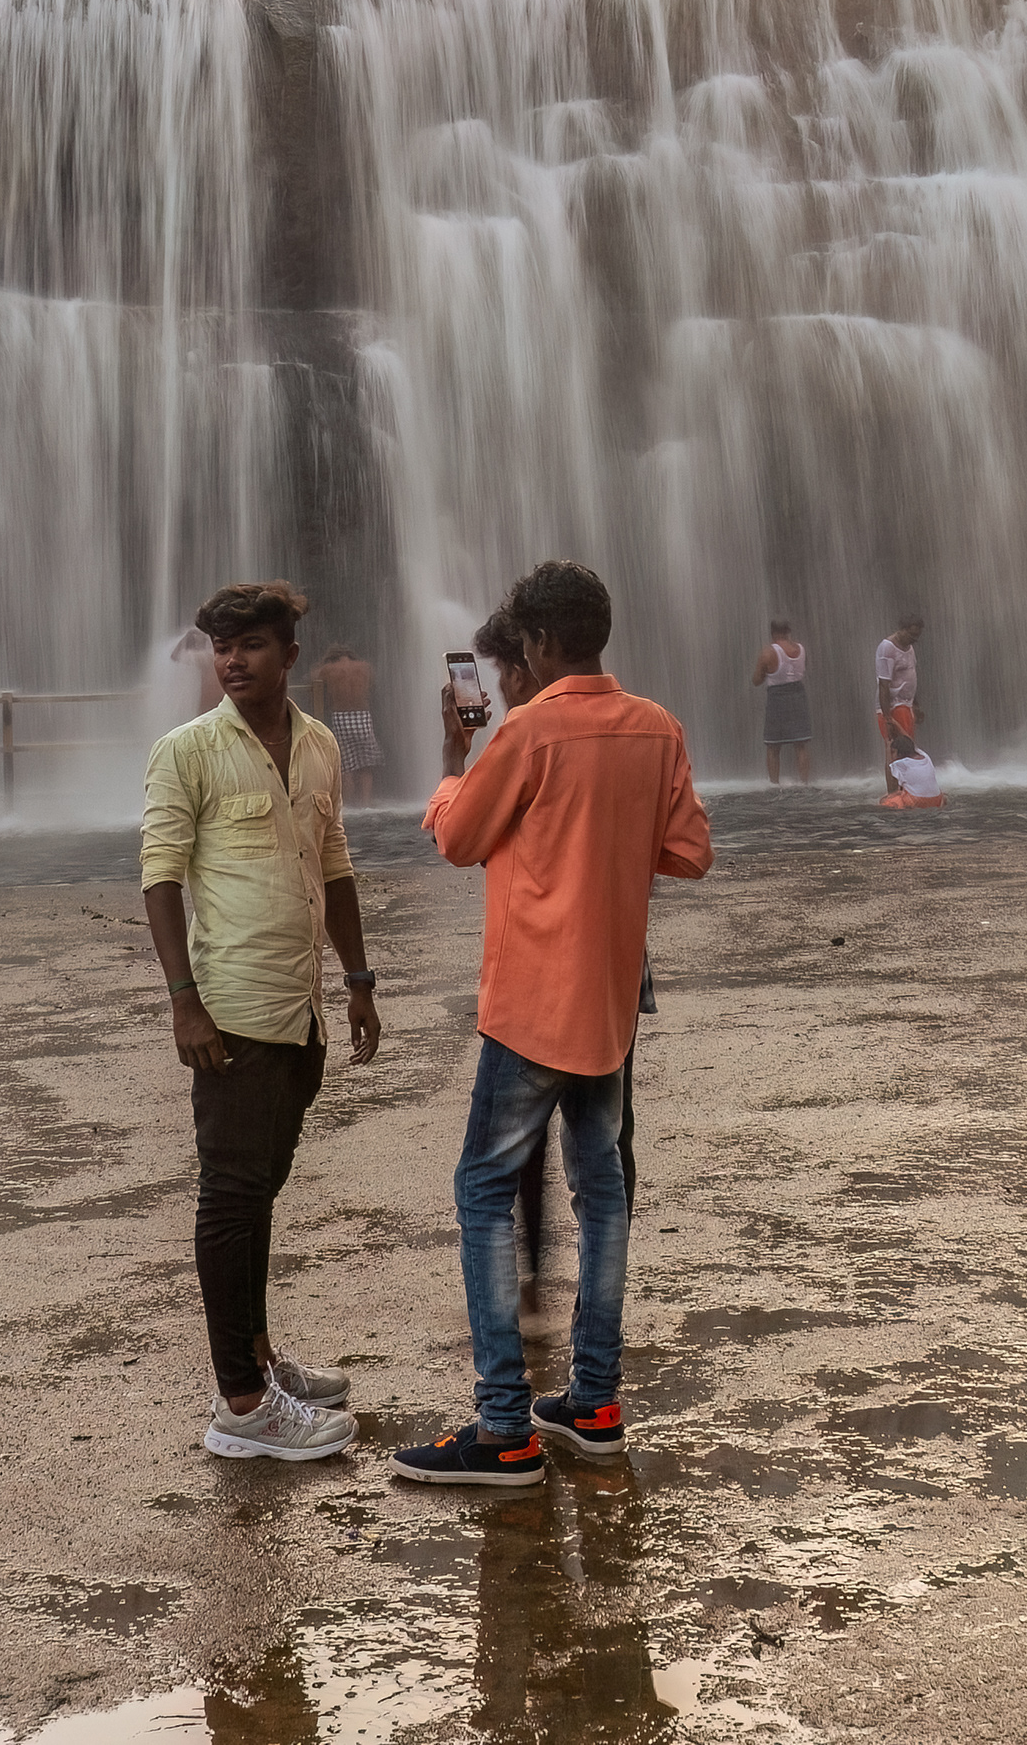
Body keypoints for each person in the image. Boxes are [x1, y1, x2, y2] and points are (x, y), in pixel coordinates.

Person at [396, 560, 710, 1486]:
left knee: (483, 1193)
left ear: (533, 644)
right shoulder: (657, 727)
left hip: (533, 1005)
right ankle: (595, 1401)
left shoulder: (526, 734)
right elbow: (689, 853)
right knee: (603, 1191)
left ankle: (503, 1428)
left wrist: (454, 764)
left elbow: (456, 840)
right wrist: (606, 834)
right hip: (610, 1006)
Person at [138, 579, 382, 1461]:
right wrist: (183, 1001)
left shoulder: (318, 747)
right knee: (231, 1199)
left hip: (302, 1007)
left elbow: (336, 864)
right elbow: (161, 878)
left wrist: (357, 979)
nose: (231, 661)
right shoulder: (188, 751)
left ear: (290, 655)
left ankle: (257, 1360)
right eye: (220, 646)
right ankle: (241, 1406)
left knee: (258, 1195)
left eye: (248, 645)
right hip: (230, 1013)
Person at [314, 641, 383, 803]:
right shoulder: (365, 667)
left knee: (346, 767)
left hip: (340, 718)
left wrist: (323, 661)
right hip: (363, 717)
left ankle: (349, 806)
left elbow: (312, 679)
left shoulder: (328, 669)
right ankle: (366, 803)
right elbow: (372, 685)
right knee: (366, 765)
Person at [752, 619, 814, 785]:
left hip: (777, 698)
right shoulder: (801, 649)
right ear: (788, 631)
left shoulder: (768, 653)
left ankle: (774, 784)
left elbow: (757, 680)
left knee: (773, 745)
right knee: (801, 743)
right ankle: (804, 783)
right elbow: (803, 669)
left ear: (772, 632)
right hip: (798, 694)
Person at [873, 618, 926, 791]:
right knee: (894, 749)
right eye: (911, 635)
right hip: (893, 706)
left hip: (906, 704)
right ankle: (893, 792)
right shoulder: (887, 648)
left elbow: (912, 677)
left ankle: (906, 789)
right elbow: (883, 684)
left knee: (908, 749)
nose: (913, 639)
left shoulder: (909, 647)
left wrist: (915, 705)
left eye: (916, 636)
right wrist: (887, 718)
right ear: (902, 629)